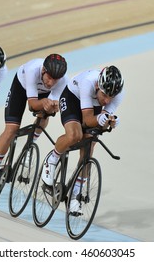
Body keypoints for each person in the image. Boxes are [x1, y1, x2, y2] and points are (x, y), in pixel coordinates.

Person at [40, 65, 125, 214]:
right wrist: (101, 119)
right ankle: (52, 159)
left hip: (93, 106)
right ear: (98, 85)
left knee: (88, 148)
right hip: (73, 97)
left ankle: (75, 195)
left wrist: (110, 122)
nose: (106, 100)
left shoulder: (117, 95)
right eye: (104, 95)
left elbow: (102, 120)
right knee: (75, 135)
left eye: (110, 98)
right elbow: (86, 120)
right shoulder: (88, 82)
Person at [0, 53, 68, 196]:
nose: (51, 83)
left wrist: (52, 106)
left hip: (41, 95)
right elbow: (32, 105)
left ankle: (30, 145)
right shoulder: (32, 70)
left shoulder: (63, 80)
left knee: (45, 115)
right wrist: (44, 103)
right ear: (43, 71)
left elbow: (52, 105)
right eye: (49, 77)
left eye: (55, 80)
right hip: (21, 88)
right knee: (11, 129)